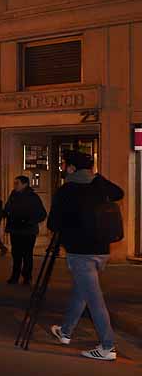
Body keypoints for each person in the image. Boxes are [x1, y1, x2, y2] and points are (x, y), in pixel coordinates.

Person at [48, 150, 124, 362]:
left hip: (80, 252)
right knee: (82, 292)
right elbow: (118, 192)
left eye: (65, 164)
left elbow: (52, 224)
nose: (63, 168)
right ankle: (65, 332)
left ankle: (107, 346)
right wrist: (96, 176)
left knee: (93, 298)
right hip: (101, 250)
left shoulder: (67, 190)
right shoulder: (98, 186)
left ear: (72, 168)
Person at [3, 175, 46, 285]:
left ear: (25, 184)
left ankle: (27, 277)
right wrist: (7, 214)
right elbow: (7, 208)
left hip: (28, 231)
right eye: (14, 183)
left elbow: (42, 214)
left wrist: (29, 221)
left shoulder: (33, 197)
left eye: (17, 183)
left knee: (27, 255)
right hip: (15, 229)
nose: (15, 185)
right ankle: (15, 276)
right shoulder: (13, 195)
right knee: (16, 254)